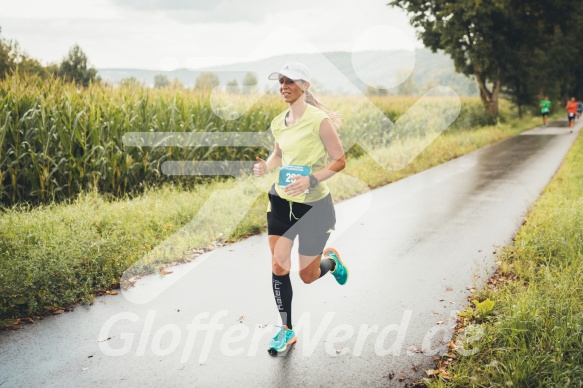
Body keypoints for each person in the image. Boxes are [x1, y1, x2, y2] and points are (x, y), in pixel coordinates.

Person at [253, 62, 349, 355]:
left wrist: (311, 179)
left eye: (290, 81)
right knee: (279, 264)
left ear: (305, 86)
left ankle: (331, 262)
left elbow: (339, 160)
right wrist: (266, 165)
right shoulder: (277, 121)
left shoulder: (319, 120)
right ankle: (287, 330)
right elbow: (279, 154)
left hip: (314, 207)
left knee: (307, 276)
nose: (284, 86)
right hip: (282, 202)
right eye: (281, 81)